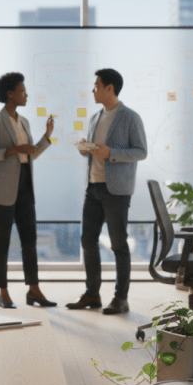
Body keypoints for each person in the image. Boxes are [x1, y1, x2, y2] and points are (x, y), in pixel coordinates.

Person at [66, 68, 148, 315]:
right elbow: (95, 150)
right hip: (92, 187)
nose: (93, 90)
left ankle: (121, 298)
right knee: (87, 241)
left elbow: (140, 151)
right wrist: (86, 148)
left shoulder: (130, 117)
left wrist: (110, 152)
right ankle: (92, 294)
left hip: (117, 191)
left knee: (118, 244)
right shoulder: (94, 117)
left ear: (109, 88)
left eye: (96, 86)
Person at [0, 72, 56, 309]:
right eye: (22, 91)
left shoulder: (25, 122)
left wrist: (46, 137)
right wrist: (12, 150)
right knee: (2, 242)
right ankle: (3, 293)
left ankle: (33, 290)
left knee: (29, 241)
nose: (26, 95)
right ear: (10, 94)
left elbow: (30, 153)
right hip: (2, 189)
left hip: (25, 186)